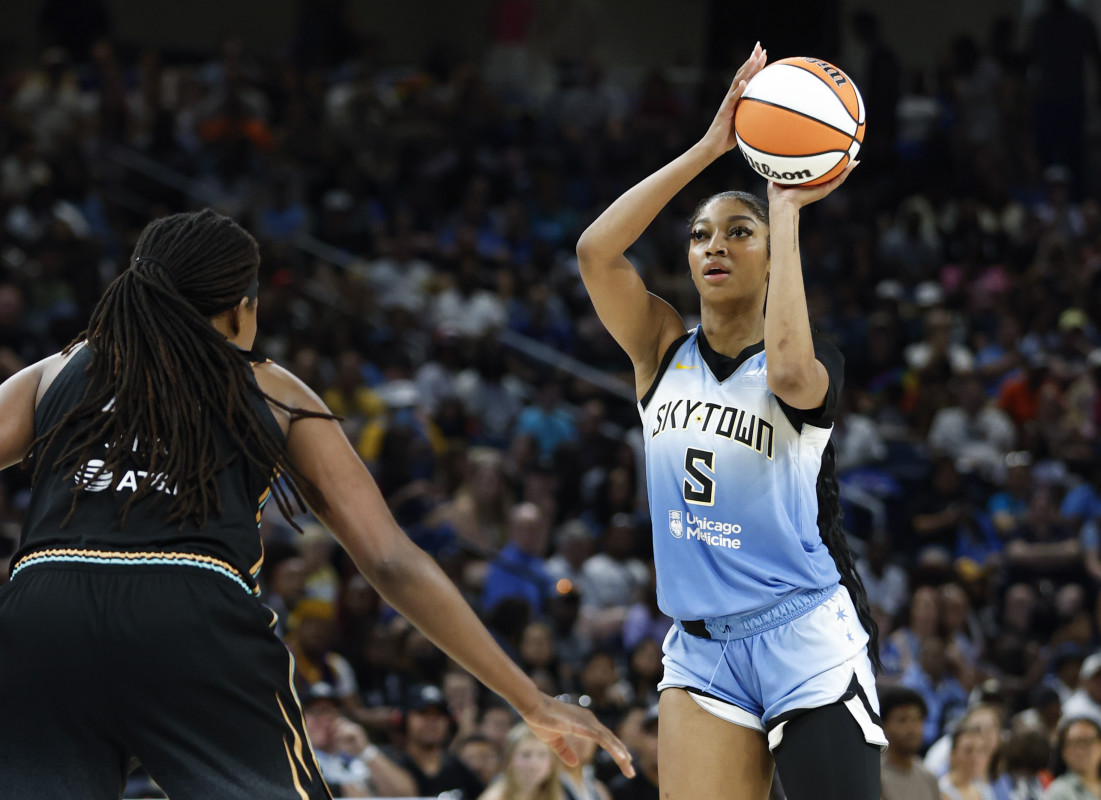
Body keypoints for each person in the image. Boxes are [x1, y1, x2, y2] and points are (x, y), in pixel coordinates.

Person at [0, 209, 633, 798]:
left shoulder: (59, 371)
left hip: (44, 608)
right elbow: (389, 560)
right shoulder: (269, 386)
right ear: (241, 310)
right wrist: (529, 699)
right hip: (188, 609)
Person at [575, 43, 886, 800]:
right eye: (700, 235)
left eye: (738, 233)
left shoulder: (815, 363)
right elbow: (595, 250)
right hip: (701, 649)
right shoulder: (658, 349)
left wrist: (783, 201)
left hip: (804, 631)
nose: (715, 244)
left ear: (773, 256)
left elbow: (786, 373)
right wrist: (712, 147)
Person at [1044, 718, 1101, 800]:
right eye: (1074, 743)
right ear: (1063, 751)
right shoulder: (1057, 792)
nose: (1081, 750)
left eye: (1087, 741)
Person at [880, 688, 942, 800]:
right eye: (902, 720)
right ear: (884, 725)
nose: (912, 728)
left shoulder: (929, 777)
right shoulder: (875, 777)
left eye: (917, 719)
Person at [479, 723, 565, 800]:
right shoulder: (495, 797)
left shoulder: (554, 793)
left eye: (542, 754)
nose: (534, 763)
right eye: (526, 755)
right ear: (510, 759)